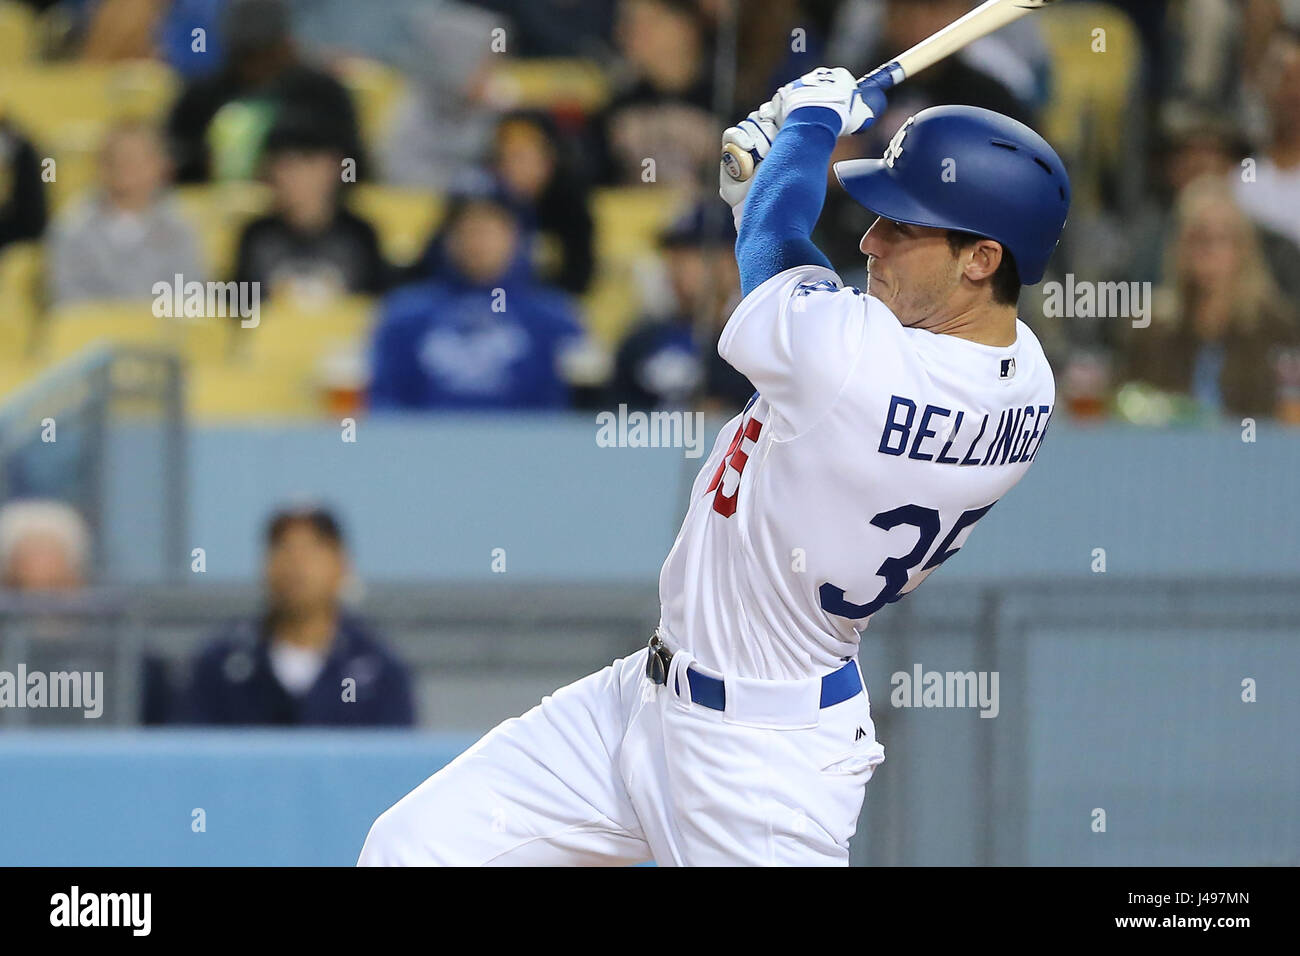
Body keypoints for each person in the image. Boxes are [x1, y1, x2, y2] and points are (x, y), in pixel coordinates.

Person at [358, 67, 1070, 866]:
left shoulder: (861, 364)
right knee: (414, 848)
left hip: (761, 762)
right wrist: (754, 187)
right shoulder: (1028, 381)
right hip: (645, 700)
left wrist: (805, 126)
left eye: (903, 227)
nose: (870, 241)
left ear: (981, 259)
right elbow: (792, 277)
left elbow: (777, 250)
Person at [181, 506, 415, 726]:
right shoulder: (219, 665)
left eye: (313, 548)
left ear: (341, 565)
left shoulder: (379, 670)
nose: (296, 563)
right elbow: (190, 753)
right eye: (283, 547)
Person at [368, 183, 584, 410]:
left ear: (516, 237)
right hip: (425, 443)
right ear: (446, 239)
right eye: (467, 229)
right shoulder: (405, 315)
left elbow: (570, 411)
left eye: (490, 230)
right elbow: (384, 405)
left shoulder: (552, 318)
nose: (478, 241)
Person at [1121, 176, 1298, 420]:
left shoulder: (1277, 328)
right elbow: (1122, 410)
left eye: (1220, 240)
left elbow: (1287, 419)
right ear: (1179, 248)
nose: (1208, 253)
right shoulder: (1150, 328)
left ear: (1243, 249)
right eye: (1198, 239)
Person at [164, 0, 363, 183]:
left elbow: (354, 169)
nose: (256, 66)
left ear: (286, 46)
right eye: (246, 54)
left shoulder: (324, 95)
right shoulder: (202, 96)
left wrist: (318, 176)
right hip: (214, 210)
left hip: (305, 213)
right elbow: (173, 162)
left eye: (265, 52)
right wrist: (203, 163)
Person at [607, 202, 749, 411]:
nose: (675, 267)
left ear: (732, 262)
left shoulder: (755, 344)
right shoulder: (641, 342)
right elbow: (608, 421)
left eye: (692, 255)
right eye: (673, 256)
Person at [48, 121, 206, 307]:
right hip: (94, 333)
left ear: (160, 166)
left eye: (139, 159)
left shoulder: (181, 229)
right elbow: (68, 302)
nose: (128, 167)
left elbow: (193, 299)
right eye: (118, 159)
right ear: (102, 166)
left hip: (166, 333)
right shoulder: (71, 229)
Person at [232, 122, 388, 299]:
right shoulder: (255, 237)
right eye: (286, 165)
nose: (299, 177)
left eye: (309, 162)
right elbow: (238, 312)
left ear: (336, 167)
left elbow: (376, 309)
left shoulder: (360, 235)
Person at [587, 0, 717, 186]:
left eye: (648, 23)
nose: (627, 34)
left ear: (685, 27)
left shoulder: (729, 101)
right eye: (626, 23)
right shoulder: (615, 111)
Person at [491, 111, 595, 295]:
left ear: (547, 161)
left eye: (521, 157)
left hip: (545, 303)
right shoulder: (482, 202)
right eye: (504, 157)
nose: (510, 166)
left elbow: (580, 274)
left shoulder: (570, 206)